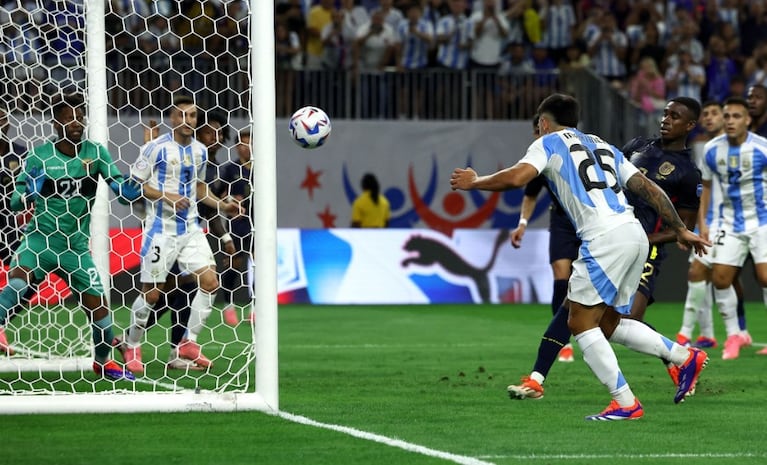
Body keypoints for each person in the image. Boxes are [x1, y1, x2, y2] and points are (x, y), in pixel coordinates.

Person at [451, 93, 710, 420]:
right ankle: (685, 357)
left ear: (544, 123)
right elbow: (646, 186)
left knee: (579, 321)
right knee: (608, 323)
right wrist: (679, 227)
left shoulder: (548, 142)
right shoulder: (602, 144)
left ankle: (625, 402)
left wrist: (476, 182)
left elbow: (517, 177)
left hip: (604, 239)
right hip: (633, 234)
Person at [0, 93, 140, 380]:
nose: (76, 122)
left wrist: (128, 189)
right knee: (16, 283)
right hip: (40, 241)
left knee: (101, 315)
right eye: (68, 117)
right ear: (55, 123)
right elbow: (14, 202)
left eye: (80, 116)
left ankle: (102, 362)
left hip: (75, 248)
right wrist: (28, 192)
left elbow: (122, 193)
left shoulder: (96, 152)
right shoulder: (39, 155)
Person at [117, 94, 241, 374]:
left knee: (210, 282)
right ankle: (132, 344)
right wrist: (165, 196)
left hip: (190, 229)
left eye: (193, 115)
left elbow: (198, 187)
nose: (187, 120)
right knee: (152, 295)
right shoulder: (155, 148)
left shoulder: (199, 151)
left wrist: (222, 205)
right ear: (172, 118)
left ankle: (188, 342)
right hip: (160, 231)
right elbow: (133, 186)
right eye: (182, 115)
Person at [699, 96, 767, 360]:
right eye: (726, 116)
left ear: (748, 120)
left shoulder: (762, 148)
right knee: (720, 278)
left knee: (764, 277)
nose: (729, 121)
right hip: (729, 222)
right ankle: (734, 335)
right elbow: (705, 187)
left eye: (736, 116)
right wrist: (703, 223)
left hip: (762, 220)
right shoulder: (712, 149)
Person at [510, 115, 579, 363]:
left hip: (587, 221)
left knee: (583, 282)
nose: (536, 135)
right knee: (561, 278)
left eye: (538, 129)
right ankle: (563, 342)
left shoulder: (578, 153)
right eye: (534, 131)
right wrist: (523, 224)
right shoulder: (539, 160)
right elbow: (530, 195)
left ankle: (591, 331)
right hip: (561, 221)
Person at [677, 100, 731, 349]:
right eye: (705, 114)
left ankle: (688, 333)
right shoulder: (703, 148)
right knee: (699, 274)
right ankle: (707, 333)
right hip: (709, 220)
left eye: (714, 113)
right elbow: (702, 191)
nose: (709, 118)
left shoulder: (737, 147)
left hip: (736, 223)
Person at [220, 129, 254, 321]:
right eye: (242, 143)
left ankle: (255, 308)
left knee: (258, 264)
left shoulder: (261, 168)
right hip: (237, 223)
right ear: (236, 146)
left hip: (256, 223)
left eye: (249, 143)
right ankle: (228, 305)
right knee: (234, 265)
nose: (245, 147)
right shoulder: (230, 169)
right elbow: (219, 194)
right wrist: (230, 200)